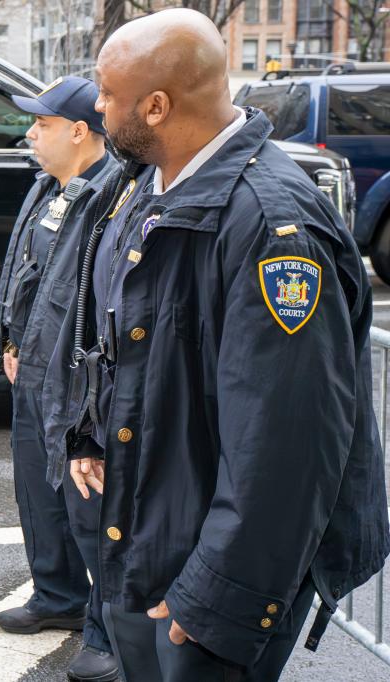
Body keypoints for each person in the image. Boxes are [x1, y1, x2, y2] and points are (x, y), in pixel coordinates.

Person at [64, 9, 390, 680]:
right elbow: (127, 336)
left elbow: (287, 447)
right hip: (152, 533)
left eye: (106, 92)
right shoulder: (151, 185)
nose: (96, 108)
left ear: (155, 106)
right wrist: (89, 430)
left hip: (208, 574)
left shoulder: (272, 226)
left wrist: (221, 598)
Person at [0, 77, 119, 682]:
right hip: (33, 368)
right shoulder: (49, 186)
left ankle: (109, 627)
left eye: (40, 125)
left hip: (73, 377)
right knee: (36, 488)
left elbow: (97, 300)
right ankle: (57, 595)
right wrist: (9, 340)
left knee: (86, 502)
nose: (30, 134)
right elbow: (25, 273)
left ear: (78, 131)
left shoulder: (110, 196)